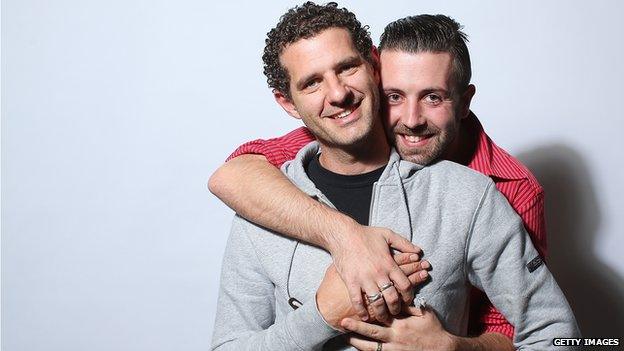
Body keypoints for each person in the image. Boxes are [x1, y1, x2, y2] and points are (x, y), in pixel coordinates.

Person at [210, 2, 579, 350]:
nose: (338, 93)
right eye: (312, 83)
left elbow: (557, 336)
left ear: (372, 66)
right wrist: (320, 315)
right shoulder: (263, 203)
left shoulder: (474, 193)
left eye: (346, 68)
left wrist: (453, 347)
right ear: (288, 102)